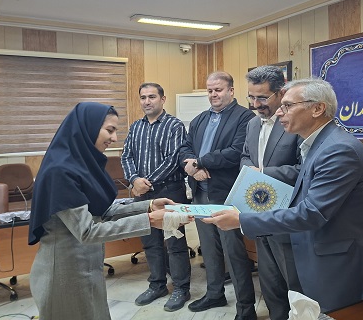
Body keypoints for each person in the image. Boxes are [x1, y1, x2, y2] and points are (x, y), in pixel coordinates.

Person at [204, 78, 363, 313]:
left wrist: (242, 220)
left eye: (287, 106)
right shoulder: (316, 145)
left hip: (344, 266)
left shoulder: (338, 150)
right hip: (318, 253)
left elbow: (311, 213)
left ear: (317, 108)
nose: (279, 112)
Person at [28, 102, 190, 320]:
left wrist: (149, 205)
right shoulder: (60, 171)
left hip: (86, 267)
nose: (114, 138)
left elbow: (102, 211)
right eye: (110, 130)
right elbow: (87, 231)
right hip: (64, 274)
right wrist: (150, 220)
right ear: (88, 128)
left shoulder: (81, 164)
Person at [179, 71, 257, 320]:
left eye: (218, 90)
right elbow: (185, 148)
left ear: (231, 91)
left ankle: (245, 308)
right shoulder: (200, 119)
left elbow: (236, 152)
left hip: (226, 195)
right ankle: (215, 294)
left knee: (233, 253)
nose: (213, 94)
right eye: (210, 90)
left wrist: (200, 162)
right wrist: (191, 165)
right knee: (209, 250)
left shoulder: (245, 117)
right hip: (200, 193)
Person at [121, 83, 192, 312]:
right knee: (150, 243)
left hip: (170, 191)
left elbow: (173, 159)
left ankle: (181, 288)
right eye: (143, 97)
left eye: (152, 96)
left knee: (175, 242)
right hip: (143, 194)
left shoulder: (174, 125)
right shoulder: (136, 127)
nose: (147, 101)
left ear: (163, 99)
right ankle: (157, 285)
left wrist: (145, 182)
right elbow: (126, 156)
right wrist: (134, 180)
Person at [241, 66, 302, 320]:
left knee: (294, 284)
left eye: (262, 98)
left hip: (288, 217)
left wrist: (264, 172)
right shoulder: (252, 124)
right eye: (251, 97)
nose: (256, 105)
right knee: (270, 283)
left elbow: (305, 169)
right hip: (260, 213)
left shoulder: (296, 124)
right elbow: (246, 156)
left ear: (281, 93)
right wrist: (249, 171)